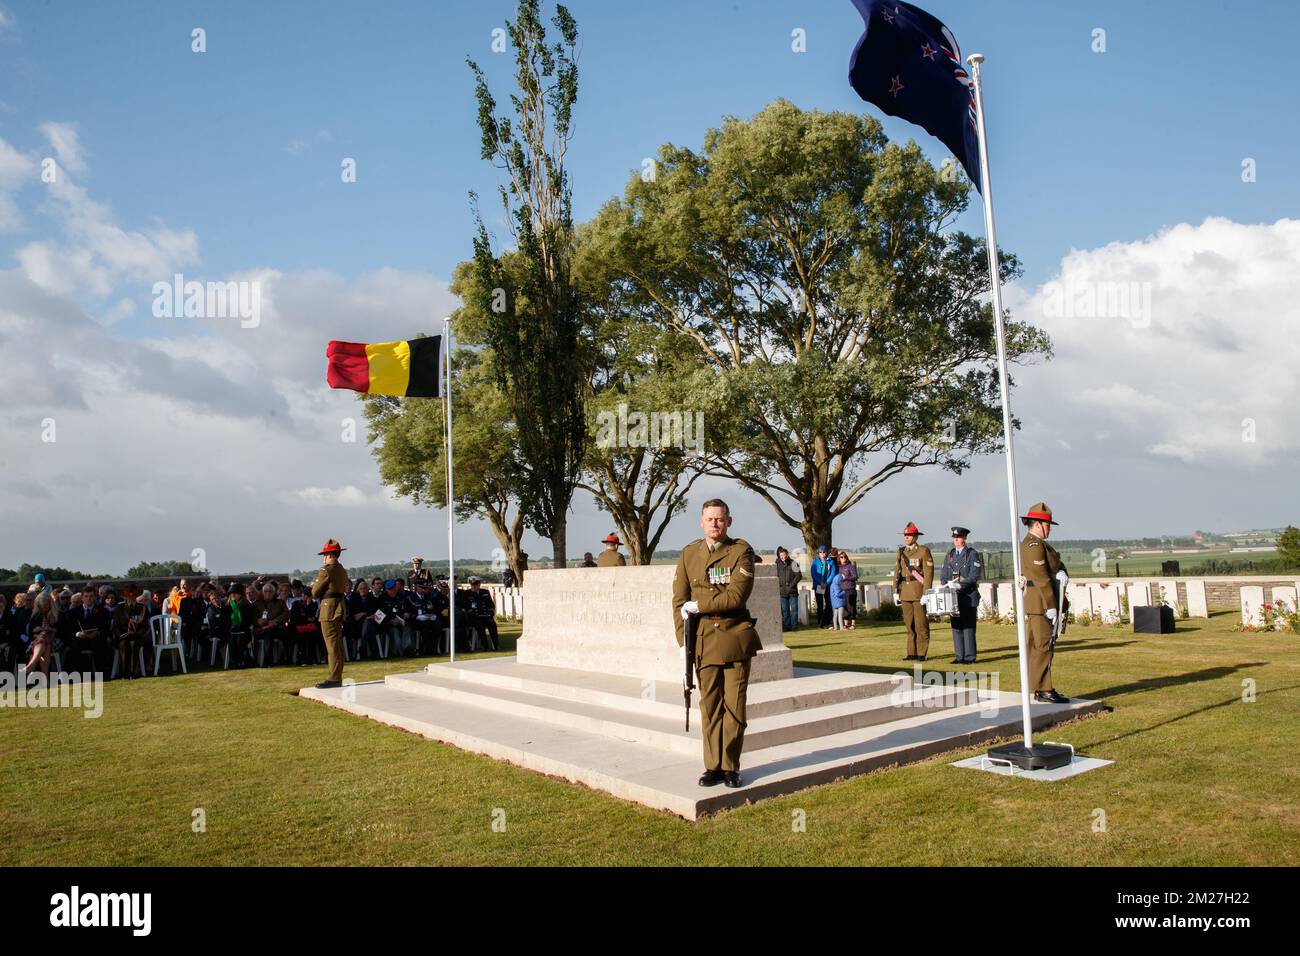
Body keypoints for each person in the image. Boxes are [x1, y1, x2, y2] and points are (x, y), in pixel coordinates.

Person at [673, 498, 762, 789]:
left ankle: (730, 766)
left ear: (729, 522)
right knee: (710, 706)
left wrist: (698, 605)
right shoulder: (689, 554)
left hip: (734, 637)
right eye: (710, 519)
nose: (715, 524)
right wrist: (684, 641)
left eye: (720, 519)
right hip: (703, 641)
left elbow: (736, 597)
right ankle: (712, 766)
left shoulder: (741, 552)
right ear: (701, 521)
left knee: (734, 706)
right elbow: (678, 600)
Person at [1019, 502, 1070, 703]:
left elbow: (1055, 564)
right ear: (1038, 524)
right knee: (1043, 644)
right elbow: (1041, 578)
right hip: (1040, 601)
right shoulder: (1033, 545)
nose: (1049, 529)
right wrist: (1051, 605)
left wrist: (1062, 571)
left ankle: (1039, 686)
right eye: (1047, 525)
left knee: (1039, 644)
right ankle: (1044, 688)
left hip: (1040, 601)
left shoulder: (1041, 545)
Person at [940, 526, 982, 664]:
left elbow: (974, 575)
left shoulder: (971, 554)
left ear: (964, 538)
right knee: (956, 627)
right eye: (954, 538)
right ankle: (959, 656)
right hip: (953, 597)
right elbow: (944, 575)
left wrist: (960, 585)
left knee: (968, 627)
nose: (956, 540)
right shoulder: (950, 554)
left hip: (968, 596)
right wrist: (946, 585)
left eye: (958, 537)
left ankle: (969, 657)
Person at [312, 539, 351, 688]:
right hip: (339, 607)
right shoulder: (341, 569)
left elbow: (315, 592)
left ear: (329, 555)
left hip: (329, 609)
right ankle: (336, 675)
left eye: (325, 554)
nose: (323, 557)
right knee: (337, 643)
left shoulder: (326, 570)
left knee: (332, 644)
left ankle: (334, 677)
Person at [895, 522, 933, 661]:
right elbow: (897, 572)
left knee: (921, 624)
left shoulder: (923, 551)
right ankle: (911, 652)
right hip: (904, 592)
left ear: (916, 537)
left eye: (909, 535)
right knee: (909, 625)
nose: (906, 537)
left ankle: (922, 653)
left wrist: (926, 593)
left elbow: (928, 573)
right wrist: (895, 590)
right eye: (905, 535)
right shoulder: (901, 552)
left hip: (918, 592)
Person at [25, 592, 58, 682]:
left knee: (44, 641)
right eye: (42, 606)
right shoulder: (35, 615)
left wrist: (50, 629)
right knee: (45, 644)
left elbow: (61, 631)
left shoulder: (55, 615)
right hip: (38, 641)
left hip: (55, 640)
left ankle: (31, 665)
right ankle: (45, 679)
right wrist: (36, 630)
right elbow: (30, 633)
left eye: (46, 605)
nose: (45, 608)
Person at [463, 576, 499, 651]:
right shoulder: (466, 593)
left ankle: (496, 645)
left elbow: (491, 605)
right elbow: (464, 606)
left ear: (479, 584)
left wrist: (491, 612)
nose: (474, 586)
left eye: (476, 584)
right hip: (474, 617)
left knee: (492, 624)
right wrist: (469, 611)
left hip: (485, 616)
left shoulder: (485, 592)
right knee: (480, 627)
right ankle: (485, 646)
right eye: (473, 585)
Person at [774, 546, 801, 631]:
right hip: (782, 592)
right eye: (781, 555)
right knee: (785, 612)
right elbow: (775, 577)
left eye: (784, 555)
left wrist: (792, 585)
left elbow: (799, 575)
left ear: (787, 554)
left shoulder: (793, 563)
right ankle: (786, 627)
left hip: (792, 592)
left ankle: (794, 627)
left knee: (794, 611)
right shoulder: (777, 565)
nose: (782, 556)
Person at [836, 550, 859, 629]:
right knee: (844, 607)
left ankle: (853, 624)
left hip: (850, 589)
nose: (843, 558)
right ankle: (846, 624)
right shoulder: (839, 568)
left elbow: (855, 577)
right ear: (839, 558)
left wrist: (846, 577)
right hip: (842, 590)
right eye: (841, 557)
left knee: (851, 606)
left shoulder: (850, 566)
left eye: (845, 557)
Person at [828, 565, 846, 630]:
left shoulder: (832, 585)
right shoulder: (837, 586)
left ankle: (835, 627)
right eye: (841, 580)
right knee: (840, 615)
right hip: (839, 602)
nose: (841, 582)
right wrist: (844, 592)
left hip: (834, 603)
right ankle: (841, 627)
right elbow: (838, 594)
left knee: (835, 615)